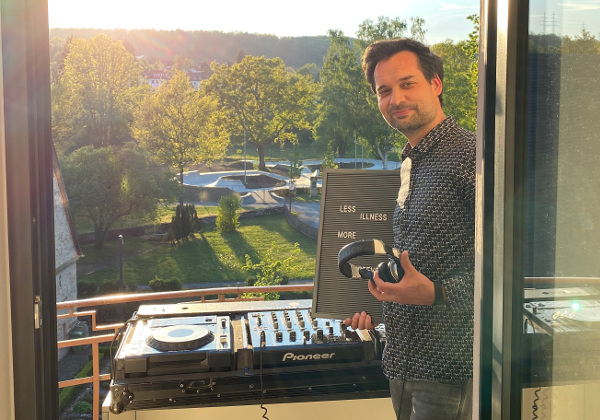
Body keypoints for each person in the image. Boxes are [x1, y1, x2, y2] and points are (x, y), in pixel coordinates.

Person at [344, 39, 475, 420]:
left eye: (408, 83)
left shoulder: (474, 156)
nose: (395, 98)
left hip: (450, 371)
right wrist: (370, 304)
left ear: (435, 84)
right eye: (384, 91)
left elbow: (515, 261)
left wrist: (437, 293)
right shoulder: (411, 162)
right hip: (401, 360)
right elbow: (415, 258)